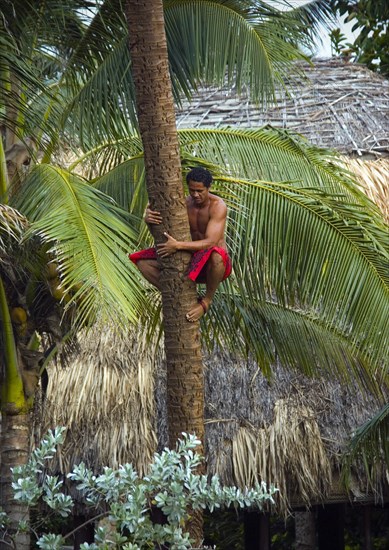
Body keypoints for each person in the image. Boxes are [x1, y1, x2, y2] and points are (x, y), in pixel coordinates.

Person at [129, 167, 232, 322]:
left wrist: (177, 246)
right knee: (142, 263)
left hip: (213, 266)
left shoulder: (218, 206)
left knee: (217, 255)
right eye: (192, 190)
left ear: (209, 187)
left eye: (200, 190)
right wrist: (149, 220)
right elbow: (163, 235)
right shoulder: (183, 203)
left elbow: (211, 242)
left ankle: (205, 302)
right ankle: (177, 294)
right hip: (188, 259)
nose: (195, 195)